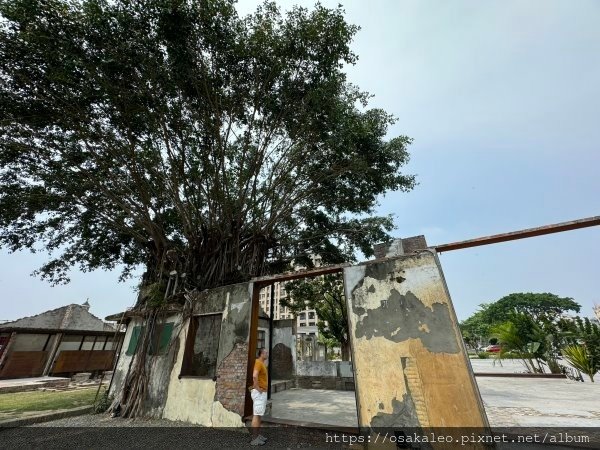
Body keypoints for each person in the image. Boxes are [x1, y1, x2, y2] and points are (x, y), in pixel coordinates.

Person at [250, 347, 269, 446]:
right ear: (261, 354)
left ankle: (257, 435)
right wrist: (258, 388)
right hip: (259, 393)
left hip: (262, 392)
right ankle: (254, 439)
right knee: (256, 415)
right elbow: (254, 376)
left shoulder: (262, 364)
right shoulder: (258, 362)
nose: (267, 354)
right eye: (265, 353)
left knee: (259, 415)